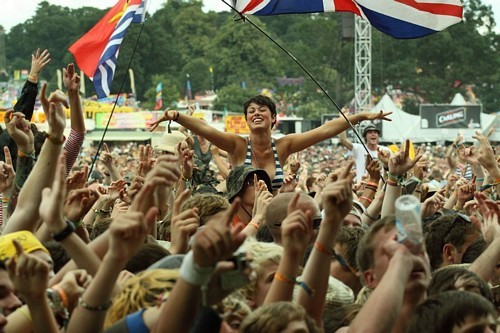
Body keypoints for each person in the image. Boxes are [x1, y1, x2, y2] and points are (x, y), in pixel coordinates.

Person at [150, 95, 391, 193]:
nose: (256, 113)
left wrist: (360, 117)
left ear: (273, 118)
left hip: (271, 219)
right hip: (239, 218)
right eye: (251, 111)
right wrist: (174, 115)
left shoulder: (284, 146)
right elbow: (204, 128)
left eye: (262, 110)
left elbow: (324, 131)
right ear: (245, 120)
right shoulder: (236, 145)